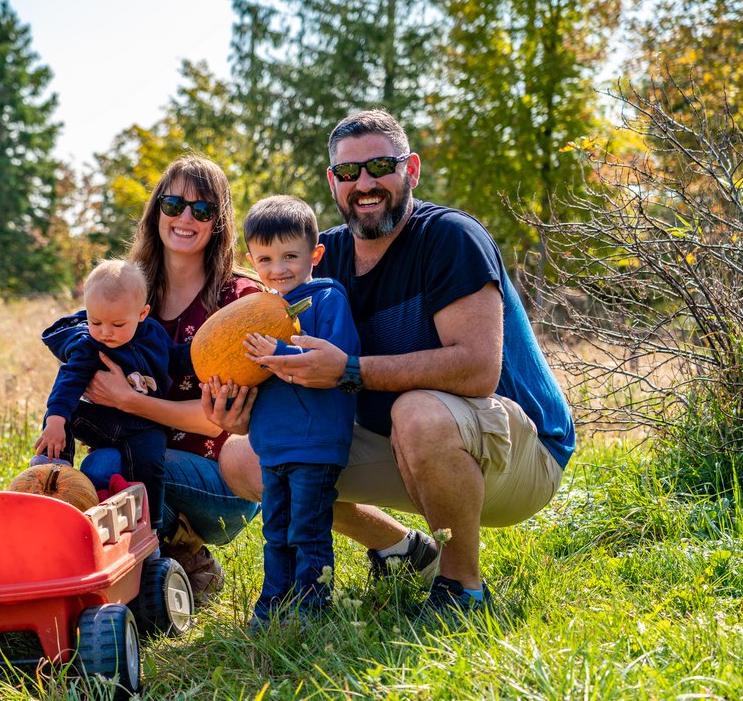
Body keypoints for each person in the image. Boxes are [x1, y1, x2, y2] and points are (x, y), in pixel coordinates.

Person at [204, 109, 575, 616]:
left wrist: (350, 371)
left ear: (412, 170)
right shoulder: (316, 259)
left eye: (380, 165)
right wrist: (240, 408)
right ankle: (403, 549)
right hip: (409, 447)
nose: (365, 183)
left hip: (520, 454)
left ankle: (461, 587)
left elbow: (477, 370)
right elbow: (295, 373)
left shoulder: (450, 238)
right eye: (348, 173)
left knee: (416, 411)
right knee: (244, 456)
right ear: (333, 183)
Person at [77, 155, 263, 603]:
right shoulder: (131, 289)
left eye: (201, 210)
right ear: (156, 209)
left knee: (112, 466)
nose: (184, 217)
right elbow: (79, 334)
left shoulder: (239, 299)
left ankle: (181, 563)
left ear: (218, 223)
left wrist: (128, 399)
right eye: (173, 203)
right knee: (97, 466)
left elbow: (219, 420)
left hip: (221, 477)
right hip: (146, 453)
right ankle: (138, 576)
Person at [232, 195, 359, 629]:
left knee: (307, 529)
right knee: (276, 531)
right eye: (265, 258)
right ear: (251, 259)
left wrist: (278, 352)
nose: (278, 268)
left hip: (315, 441)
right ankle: (273, 605)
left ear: (315, 254)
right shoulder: (257, 313)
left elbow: (335, 361)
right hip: (273, 444)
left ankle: (312, 608)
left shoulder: (327, 298)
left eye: (290, 255)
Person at [34, 259, 182, 532]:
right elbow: (70, 379)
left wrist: (200, 356)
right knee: (65, 412)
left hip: (144, 426)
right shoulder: (89, 344)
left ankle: (151, 528)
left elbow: (174, 358)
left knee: (149, 465)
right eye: (96, 321)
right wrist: (55, 419)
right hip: (104, 421)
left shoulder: (154, 335)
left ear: (142, 313)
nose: (105, 332)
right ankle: (53, 470)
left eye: (117, 324)